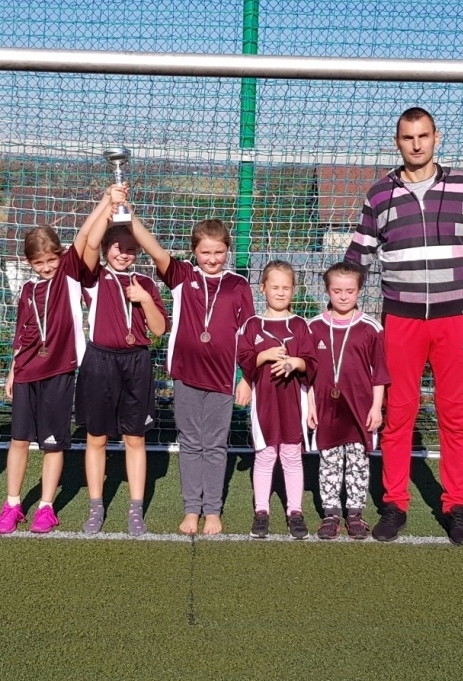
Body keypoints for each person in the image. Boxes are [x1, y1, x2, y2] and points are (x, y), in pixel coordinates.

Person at [344, 106, 463, 546]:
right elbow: (357, 257)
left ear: (435, 137)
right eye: (408, 137)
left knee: (455, 417)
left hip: (456, 320)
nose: (416, 144)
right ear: (397, 142)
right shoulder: (379, 194)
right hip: (401, 320)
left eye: (423, 136)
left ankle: (455, 507)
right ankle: (395, 504)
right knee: (398, 415)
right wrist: (342, 307)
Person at [0, 187, 120, 534]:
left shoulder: (68, 274)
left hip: (59, 370)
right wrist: (12, 371)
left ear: (60, 256)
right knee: (19, 440)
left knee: (53, 443)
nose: (46, 267)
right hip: (26, 370)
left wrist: (107, 202)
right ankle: (12, 504)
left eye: (51, 259)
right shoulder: (27, 290)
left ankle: (46, 507)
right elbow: (22, 333)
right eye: (39, 263)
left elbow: (85, 235)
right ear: (29, 263)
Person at [132, 215, 255, 535]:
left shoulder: (238, 285)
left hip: (221, 379)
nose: (212, 259)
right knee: (189, 443)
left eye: (219, 252)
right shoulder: (183, 276)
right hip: (186, 375)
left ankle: (212, 509)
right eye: (205, 252)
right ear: (194, 252)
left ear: (228, 250)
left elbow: (248, 336)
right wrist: (127, 215)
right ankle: (191, 508)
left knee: (214, 444)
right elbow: (154, 249)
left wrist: (247, 378)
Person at [77, 219, 168, 536]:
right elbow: (88, 244)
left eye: (131, 249)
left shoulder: (146, 283)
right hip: (100, 361)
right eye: (118, 247)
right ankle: (96, 506)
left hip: (136, 362)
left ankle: (135, 508)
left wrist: (145, 299)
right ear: (106, 249)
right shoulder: (94, 277)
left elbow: (159, 329)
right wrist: (109, 205)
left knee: (135, 438)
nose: (124, 254)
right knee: (96, 437)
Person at [306, 261, 389, 540]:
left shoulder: (371, 328)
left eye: (350, 291)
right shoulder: (314, 327)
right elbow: (308, 375)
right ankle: (330, 513)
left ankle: (355, 513)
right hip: (326, 408)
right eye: (337, 291)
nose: (343, 297)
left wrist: (376, 407)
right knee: (328, 461)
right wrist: (311, 405)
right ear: (327, 290)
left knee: (357, 462)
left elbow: (380, 373)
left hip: (360, 408)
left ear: (359, 291)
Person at [235, 260, 314, 540]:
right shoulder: (252, 325)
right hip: (264, 402)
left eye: (286, 288)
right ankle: (261, 511)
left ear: (293, 290)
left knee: (291, 455)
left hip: (293, 402)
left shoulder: (301, 325)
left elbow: (311, 363)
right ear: (263, 288)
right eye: (275, 287)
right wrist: (264, 356)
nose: (280, 292)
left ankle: (295, 511)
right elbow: (244, 358)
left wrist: (294, 362)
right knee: (265, 454)